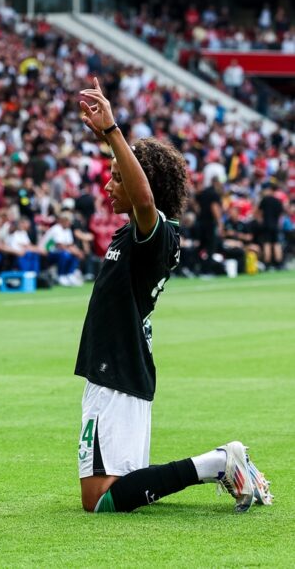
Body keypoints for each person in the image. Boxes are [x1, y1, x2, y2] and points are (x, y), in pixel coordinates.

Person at [75, 78, 272, 514]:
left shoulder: (154, 232)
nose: (108, 185)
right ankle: (218, 464)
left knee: (99, 499)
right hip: (120, 369)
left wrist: (113, 132)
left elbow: (142, 197)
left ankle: (219, 462)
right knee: (110, 492)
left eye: (115, 178)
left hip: (117, 373)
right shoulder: (138, 234)